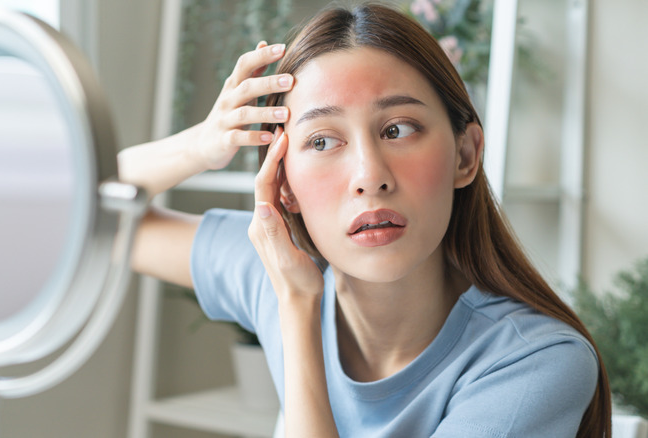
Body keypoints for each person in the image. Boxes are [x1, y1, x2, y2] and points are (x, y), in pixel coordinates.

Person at [120, 2, 611, 437]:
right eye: (322, 141)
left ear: (466, 155)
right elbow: (88, 214)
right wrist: (200, 146)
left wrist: (295, 306)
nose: (369, 176)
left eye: (398, 129)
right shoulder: (275, 272)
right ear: (284, 184)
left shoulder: (535, 363)